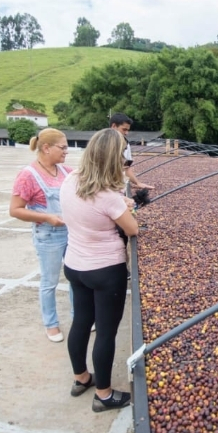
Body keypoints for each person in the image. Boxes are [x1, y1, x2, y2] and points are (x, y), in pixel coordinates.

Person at [60, 128, 138, 412]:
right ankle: (104, 395)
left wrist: (121, 204)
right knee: (105, 332)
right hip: (105, 271)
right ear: (112, 157)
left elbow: (88, 212)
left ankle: (81, 378)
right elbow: (132, 229)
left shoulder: (69, 180)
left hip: (74, 266)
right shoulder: (108, 195)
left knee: (81, 321)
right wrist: (126, 207)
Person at [9, 128, 73, 343]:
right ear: (46, 148)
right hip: (49, 235)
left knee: (75, 277)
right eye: (63, 147)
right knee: (50, 281)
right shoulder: (28, 175)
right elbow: (15, 209)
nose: (67, 151)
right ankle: (51, 324)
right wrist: (47, 217)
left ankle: (78, 316)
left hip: (71, 233)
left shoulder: (66, 172)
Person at [109, 113, 154, 190]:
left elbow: (126, 168)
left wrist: (138, 183)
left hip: (117, 187)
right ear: (114, 126)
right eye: (124, 129)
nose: (126, 133)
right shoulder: (100, 143)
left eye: (127, 130)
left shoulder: (126, 145)